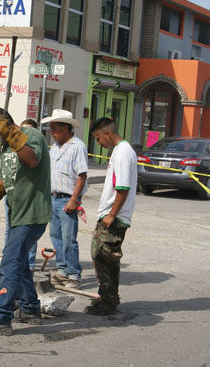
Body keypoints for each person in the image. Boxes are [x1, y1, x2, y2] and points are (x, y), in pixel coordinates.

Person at [0, 107, 51, 336]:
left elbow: (32, 161)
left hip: (32, 213)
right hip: (18, 213)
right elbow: (12, 176)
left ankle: (0, 318)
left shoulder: (30, 136)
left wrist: (11, 134)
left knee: (10, 262)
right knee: (20, 262)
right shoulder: (7, 146)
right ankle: (30, 310)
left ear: (0, 126)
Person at [85, 117, 137, 315]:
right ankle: (106, 296)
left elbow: (122, 187)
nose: (99, 144)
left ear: (107, 134)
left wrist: (112, 215)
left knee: (106, 258)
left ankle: (109, 301)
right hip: (110, 214)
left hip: (114, 216)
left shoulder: (123, 152)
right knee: (100, 256)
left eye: (99, 139)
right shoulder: (120, 151)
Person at [41, 109, 88, 289]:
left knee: (69, 239)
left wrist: (74, 199)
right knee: (56, 236)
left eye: (55, 129)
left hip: (67, 199)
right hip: (52, 198)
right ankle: (62, 269)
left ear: (66, 128)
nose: (52, 133)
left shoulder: (77, 146)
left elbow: (81, 175)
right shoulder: (55, 148)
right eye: (51, 129)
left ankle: (74, 274)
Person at [3, 119, 39, 270]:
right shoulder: (9, 149)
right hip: (11, 195)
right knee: (10, 229)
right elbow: (5, 172)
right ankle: (9, 259)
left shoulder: (34, 149)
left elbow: (33, 164)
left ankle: (28, 263)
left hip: (28, 198)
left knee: (26, 231)